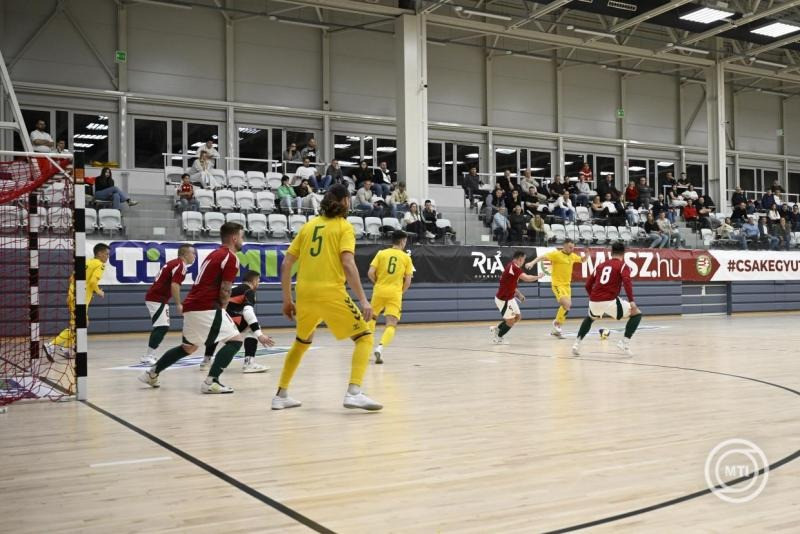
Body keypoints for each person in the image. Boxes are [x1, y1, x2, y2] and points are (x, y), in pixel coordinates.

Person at [273, 184, 381, 411]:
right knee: (365, 338)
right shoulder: (344, 227)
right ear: (344, 201)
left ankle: (281, 395)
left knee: (302, 343)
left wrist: (286, 299)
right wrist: (363, 300)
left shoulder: (309, 226)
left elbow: (286, 264)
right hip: (330, 292)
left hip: (304, 293)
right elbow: (348, 263)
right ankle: (354, 392)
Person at [138, 222, 246, 394]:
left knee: (188, 347)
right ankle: (211, 382)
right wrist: (223, 308)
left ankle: (152, 373)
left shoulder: (215, 254)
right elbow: (226, 287)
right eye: (241, 236)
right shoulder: (230, 257)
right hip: (207, 306)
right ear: (234, 238)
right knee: (235, 341)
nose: (243, 240)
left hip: (192, 305)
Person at [571, 242, 643, 357]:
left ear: (611, 252)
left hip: (594, 300)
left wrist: (594, 298)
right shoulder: (623, 266)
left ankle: (576, 344)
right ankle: (624, 343)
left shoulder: (600, 265)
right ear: (623, 253)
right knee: (637, 314)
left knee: (590, 318)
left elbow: (587, 285)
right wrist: (631, 301)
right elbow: (627, 283)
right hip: (609, 300)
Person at [199, 270, 275, 374]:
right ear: (253, 280)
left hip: (215, 320)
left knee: (217, 327)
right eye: (258, 280)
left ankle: (206, 361)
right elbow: (248, 312)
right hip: (231, 322)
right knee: (252, 326)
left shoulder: (232, 289)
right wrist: (259, 334)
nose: (259, 283)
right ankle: (249, 363)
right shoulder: (249, 291)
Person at [44, 243, 109, 360]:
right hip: (80, 298)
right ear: (99, 254)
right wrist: (99, 292)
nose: (107, 257)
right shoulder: (100, 265)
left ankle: (66, 349)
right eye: (106, 254)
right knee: (78, 325)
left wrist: (74, 292)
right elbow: (94, 282)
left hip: (73, 294)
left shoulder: (86, 262)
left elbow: (72, 277)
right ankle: (51, 345)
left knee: (83, 323)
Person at [140, 244, 196, 365]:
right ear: (185, 254)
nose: (194, 256)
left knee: (162, 326)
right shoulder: (180, 266)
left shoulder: (174, 263)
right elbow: (175, 285)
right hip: (156, 298)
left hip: (158, 298)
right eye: (193, 253)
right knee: (162, 327)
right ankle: (148, 355)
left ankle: (149, 354)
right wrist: (178, 304)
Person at [367, 231, 414, 364]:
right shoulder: (406, 258)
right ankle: (380, 348)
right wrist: (400, 292)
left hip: (379, 290)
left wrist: (378, 283)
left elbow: (370, 272)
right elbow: (408, 281)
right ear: (402, 241)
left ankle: (365, 348)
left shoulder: (381, 253)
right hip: (395, 293)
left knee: (372, 318)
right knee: (391, 324)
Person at [526, 238, 585, 338]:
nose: (572, 249)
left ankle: (557, 328)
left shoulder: (572, 256)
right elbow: (542, 257)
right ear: (565, 246)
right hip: (557, 284)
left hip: (567, 285)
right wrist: (531, 263)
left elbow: (582, 260)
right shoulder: (556, 254)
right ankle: (556, 323)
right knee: (566, 304)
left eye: (573, 248)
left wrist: (586, 255)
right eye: (570, 247)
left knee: (567, 307)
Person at [489, 251, 542, 345]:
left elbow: (511, 285)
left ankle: (497, 329)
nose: (524, 261)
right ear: (520, 259)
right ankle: (498, 337)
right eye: (524, 260)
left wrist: (519, 294)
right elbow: (527, 278)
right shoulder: (513, 267)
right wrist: (538, 276)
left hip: (510, 297)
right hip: (503, 299)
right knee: (510, 321)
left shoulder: (512, 267)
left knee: (517, 317)